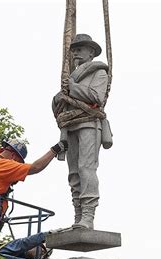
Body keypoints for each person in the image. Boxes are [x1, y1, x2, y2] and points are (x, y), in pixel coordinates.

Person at [52, 34, 110, 229]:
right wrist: (60, 97)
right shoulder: (70, 78)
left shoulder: (99, 73)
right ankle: (78, 215)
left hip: (88, 123)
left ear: (91, 52)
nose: (75, 52)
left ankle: (88, 215)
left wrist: (72, 89)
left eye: (80, 48)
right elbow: (59, 105)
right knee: (74, 172)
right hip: (70, 126)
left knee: (87, 168)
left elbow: (96, 97)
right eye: (74, 49)